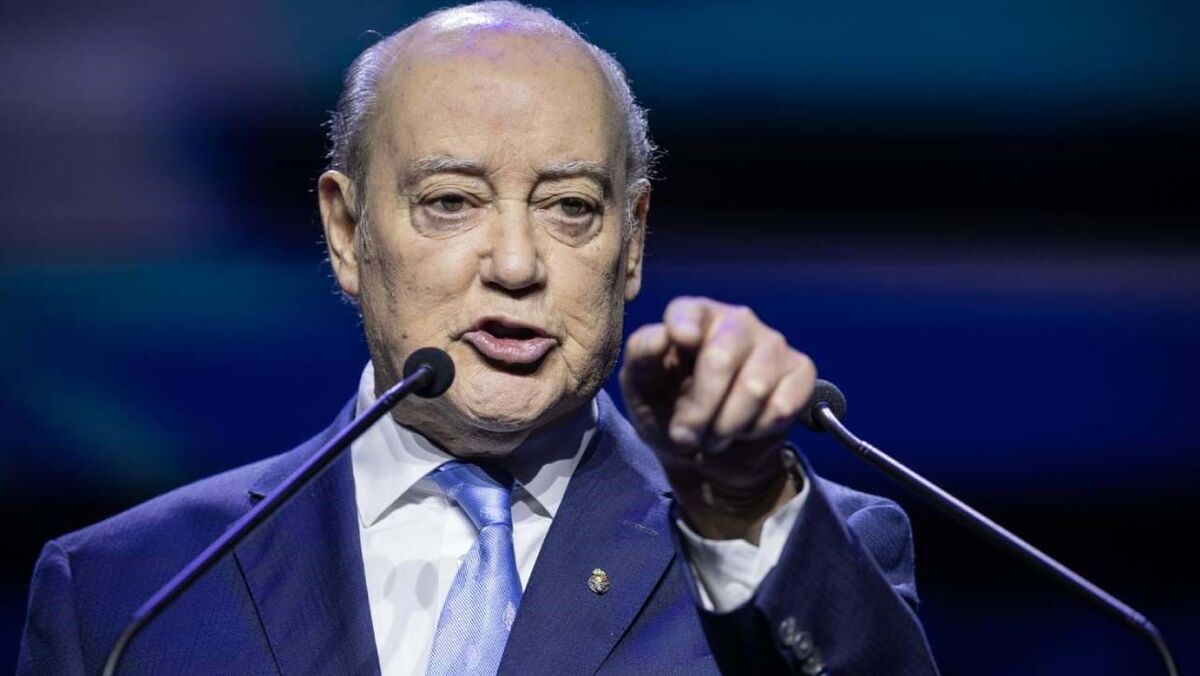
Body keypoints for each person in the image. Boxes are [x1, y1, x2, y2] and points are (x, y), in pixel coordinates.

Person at [18, 2, 938, 674]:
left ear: (632, 243)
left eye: (570, 208)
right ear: (346, 232)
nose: (517, 264)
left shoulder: (790, 546)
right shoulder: (128, 591)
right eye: (452, 202)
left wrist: (739, 506)